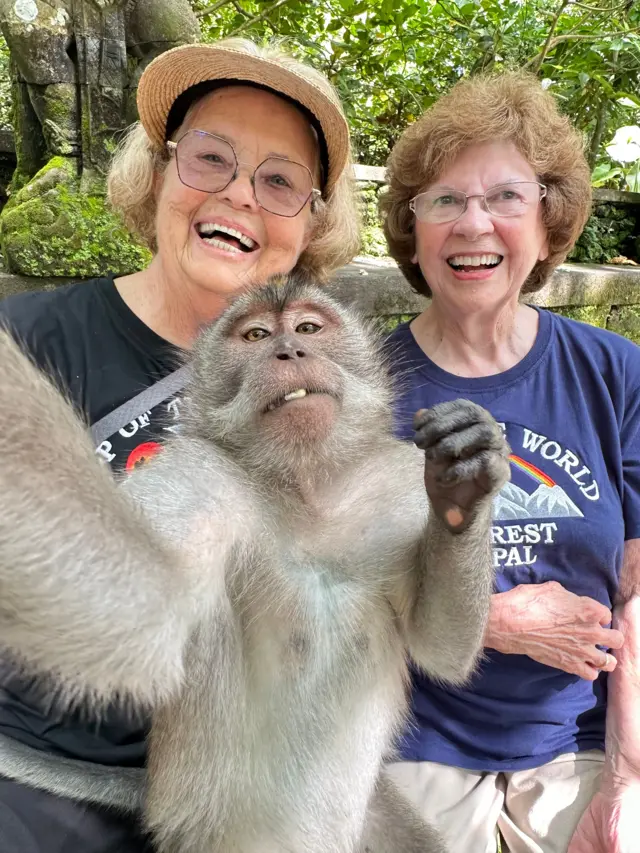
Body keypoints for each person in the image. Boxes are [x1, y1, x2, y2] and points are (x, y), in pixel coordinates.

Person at [0, 37, 359, 852]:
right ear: (159, 173)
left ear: (310, 224)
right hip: (28, 780)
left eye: (279, 181)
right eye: (210, 158)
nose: (238, 194)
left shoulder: (316, 392)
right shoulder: (26, 342)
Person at [379, 72, 640, 853]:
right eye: (444, 200)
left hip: (584, 734)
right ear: (412, 228)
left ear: (548, 221)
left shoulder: (615, 373)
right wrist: (492, 620)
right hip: (410, 735)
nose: (474, 223)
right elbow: (322, 596)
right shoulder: (361, 386)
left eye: (505, 197)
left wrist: (628, 770)